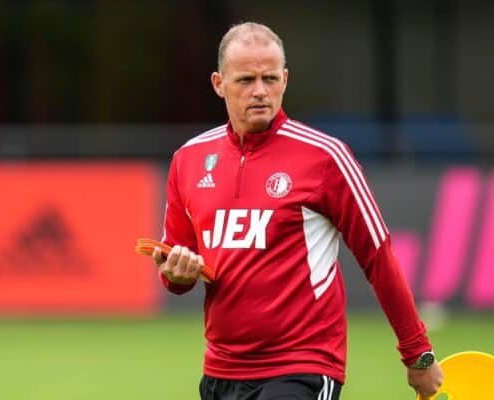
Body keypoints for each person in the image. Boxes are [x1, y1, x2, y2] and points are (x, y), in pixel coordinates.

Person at [152, 22, 443, 400]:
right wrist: (176, 274)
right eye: (245, 80)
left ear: (285, 80)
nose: (260, 91)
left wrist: (417, 354)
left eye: (270, 78)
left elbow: (379, 256)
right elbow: (176, 268)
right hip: (221, 371)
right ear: (218, 84)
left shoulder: (324, 157)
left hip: (302, 366)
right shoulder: (188, 160)